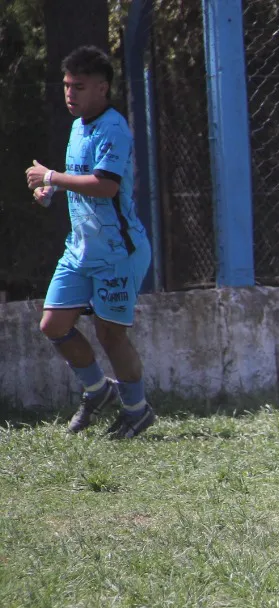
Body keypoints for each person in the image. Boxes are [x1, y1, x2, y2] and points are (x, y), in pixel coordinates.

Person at [25, 45, 155, 438]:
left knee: (110, 333)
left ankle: (137, 410)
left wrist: (51, 178)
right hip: (80, 249)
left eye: (78, 87)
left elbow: (106, 185)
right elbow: (80, 176)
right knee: (53, 324)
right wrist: (54, 191)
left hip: (118, 252)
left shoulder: (114, 128)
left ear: (103, 88)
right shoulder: (79, 124)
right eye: (66, 86)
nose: (70, 94)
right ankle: (98, 391)